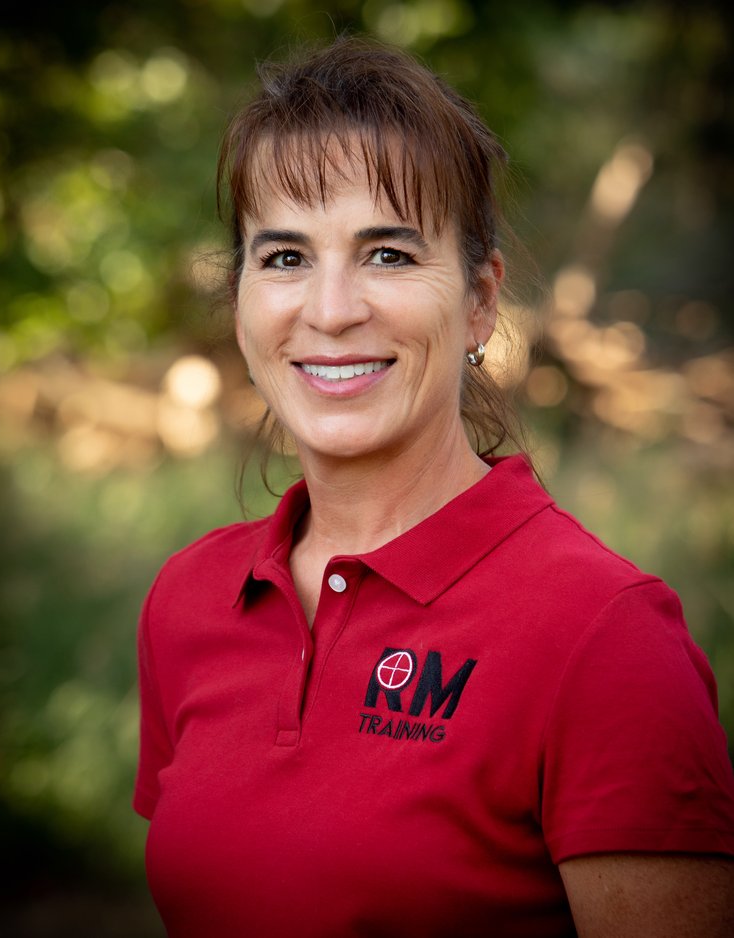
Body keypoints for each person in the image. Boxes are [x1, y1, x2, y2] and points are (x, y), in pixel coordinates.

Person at [133, 36, 734, 937]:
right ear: (243, 300)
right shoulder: (188, 600)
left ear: (482, 301)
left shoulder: (605, 634)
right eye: (286, 258)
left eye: (388, 255)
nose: (331, 311)